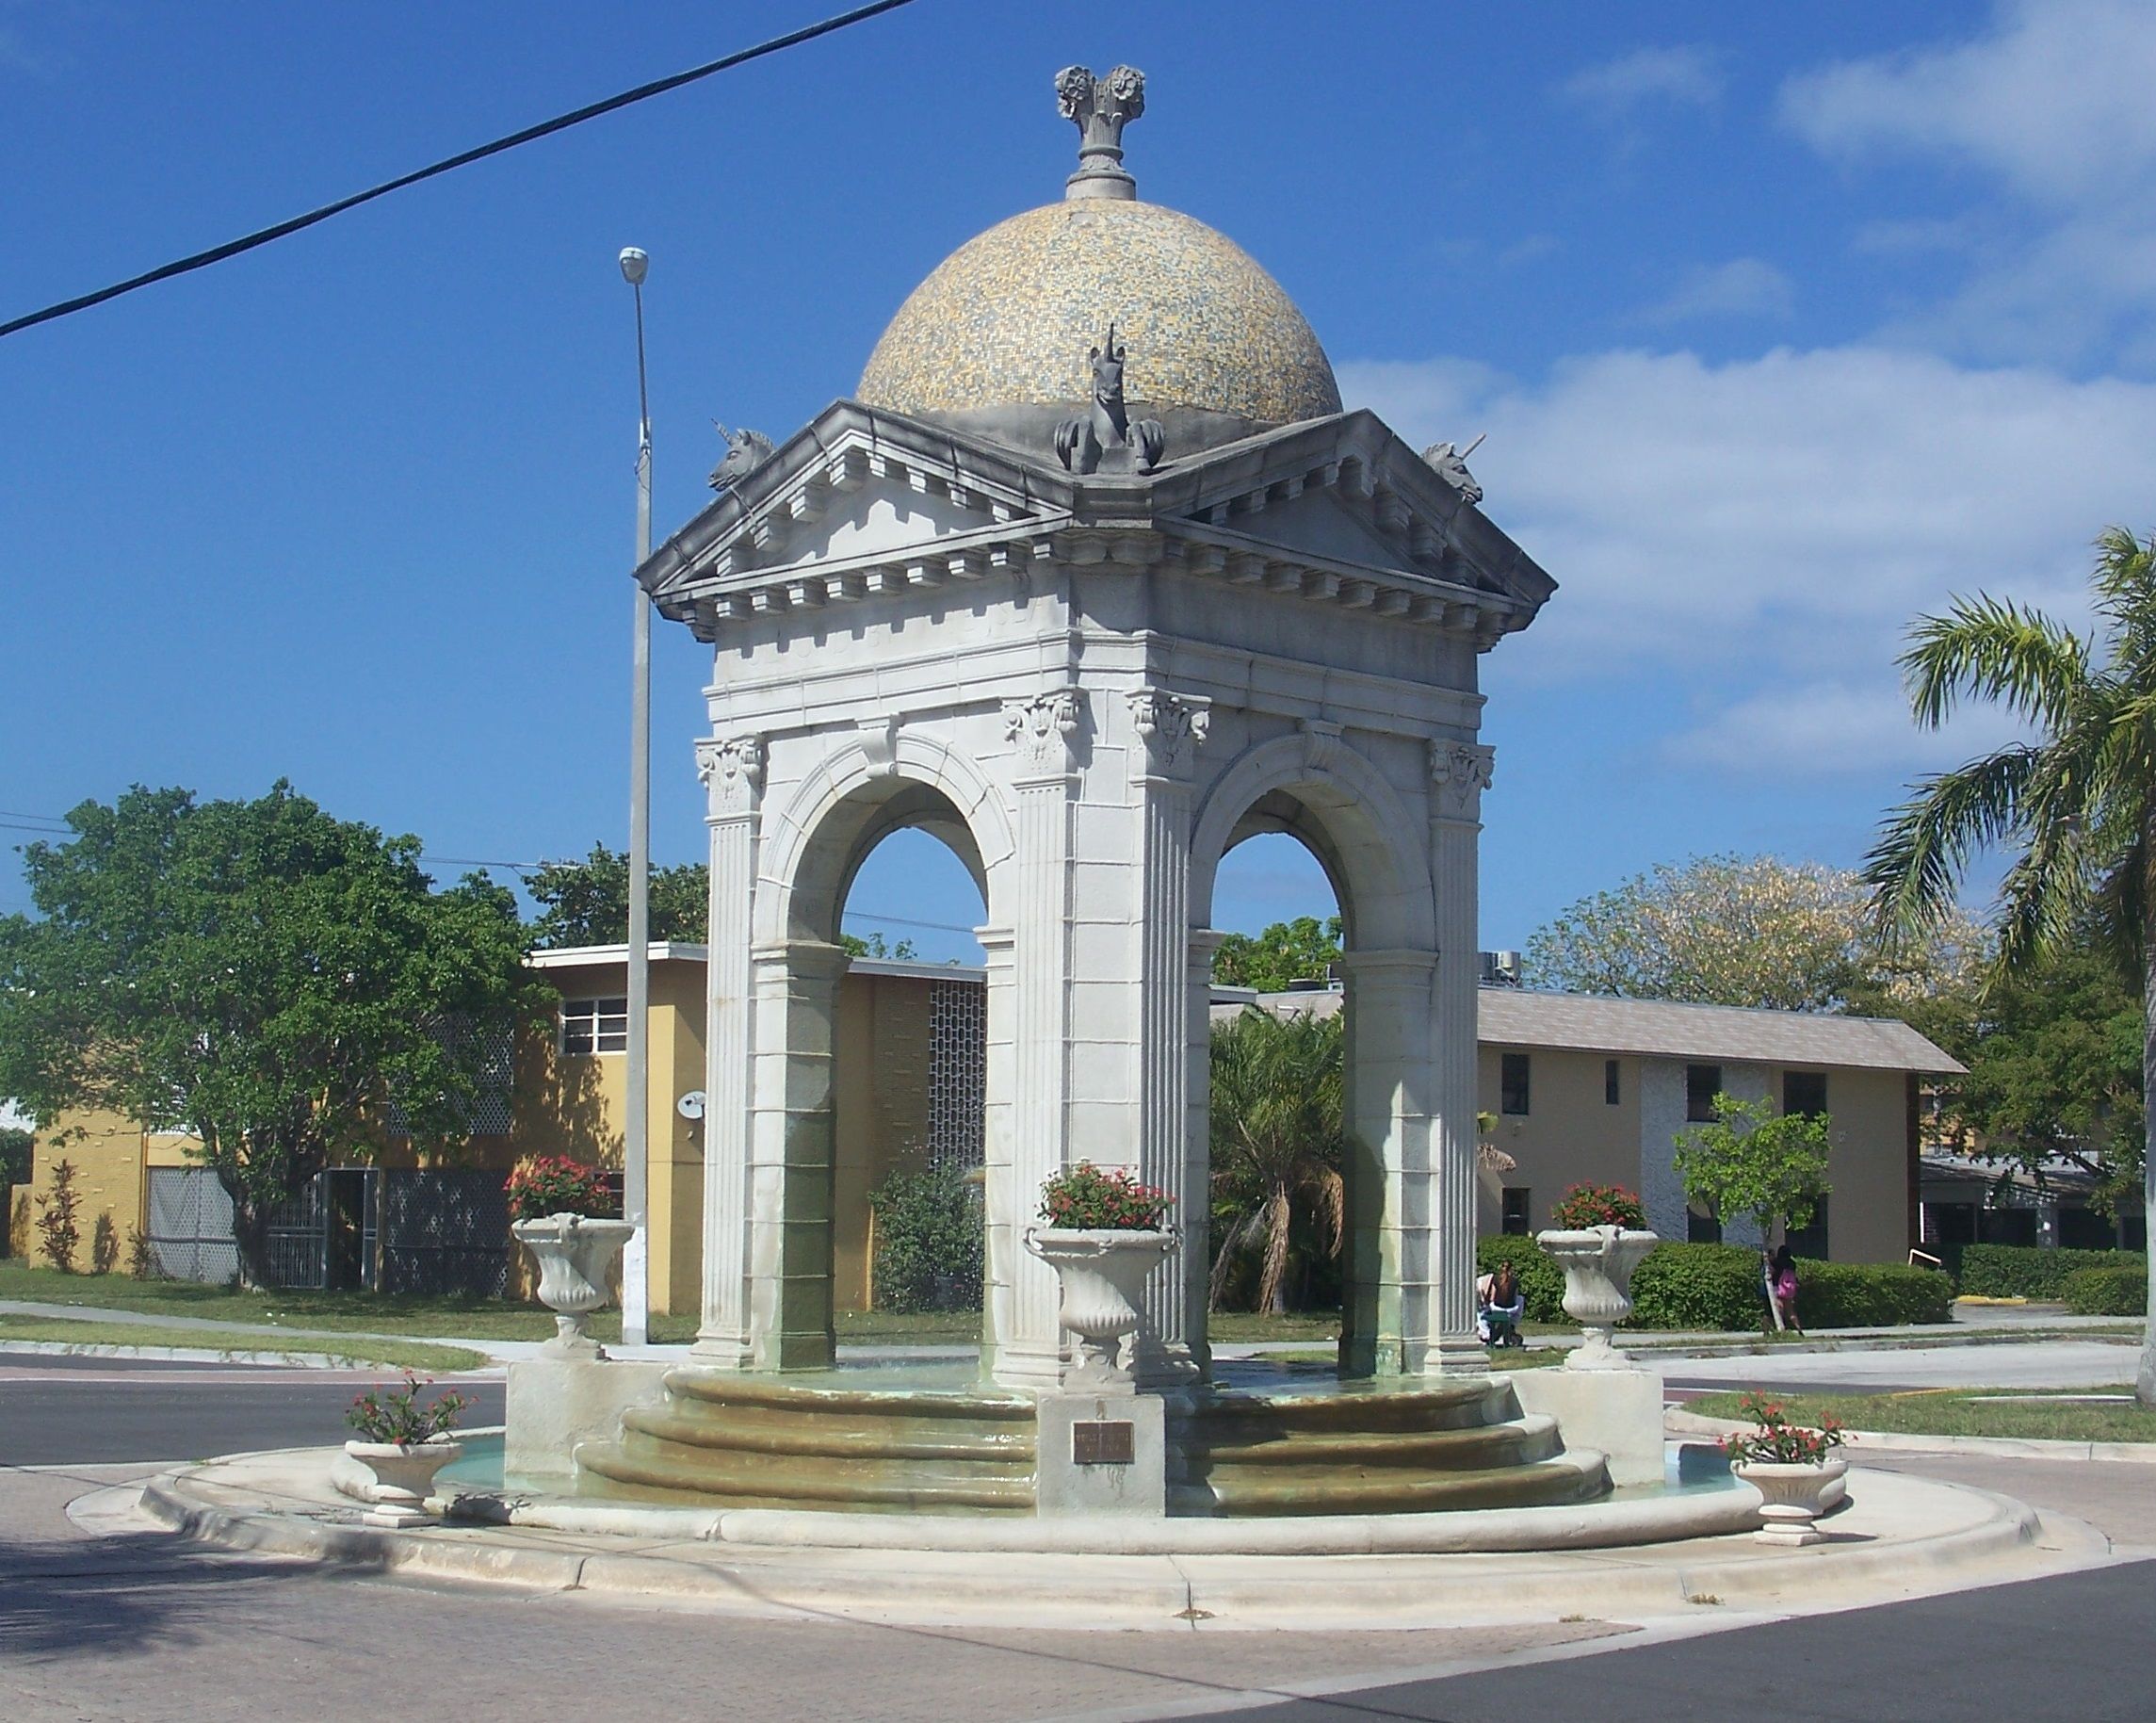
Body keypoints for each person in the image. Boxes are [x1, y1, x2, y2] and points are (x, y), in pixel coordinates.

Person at [1478, 1260, 1525, 1348]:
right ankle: (1512, 1324)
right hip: (1511, 1309)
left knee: (1480, 1314)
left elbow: (1493, 1297)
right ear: (1511, 1269)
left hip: (1497, 1308)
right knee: (1521, 1299)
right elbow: (1515, 1296)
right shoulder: (1515, 1281)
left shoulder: (1496, 1279)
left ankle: (1486, 1334)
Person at [1768, 1243, 1803, 1336]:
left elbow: (1770, 1267)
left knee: (1779, 1309)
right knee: (1790, 1310)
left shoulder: (1776, 1262)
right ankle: (1798, 1328)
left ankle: (1781, 1327)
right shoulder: (1792, 1263)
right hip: (1788, 1289)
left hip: (1777, 1287)